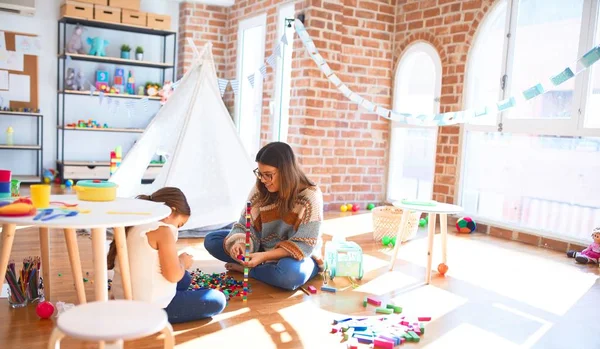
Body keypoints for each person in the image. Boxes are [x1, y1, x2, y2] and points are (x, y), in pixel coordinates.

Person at [204, 142, 324, 291]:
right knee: (212, 240)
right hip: (262, 247)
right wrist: (240, 244)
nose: (262, 179)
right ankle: (261, 268)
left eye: (268, 175)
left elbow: (305, 245)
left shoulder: (310, 196)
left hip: (295, 256)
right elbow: (244, 224)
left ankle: (250, 270)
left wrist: (263, 256)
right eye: (260, 173)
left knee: (290, 276)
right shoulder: (261, 188)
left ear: (286, 172)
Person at [107, 187, 226, 324]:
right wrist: (182, 261)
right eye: (179, 225)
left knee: (185, 278)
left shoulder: (137, 223)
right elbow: (173, 275)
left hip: (123, 299)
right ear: (170, 212)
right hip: (149, 309)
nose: (177, 229)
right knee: (218, 299)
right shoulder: (163, 231)